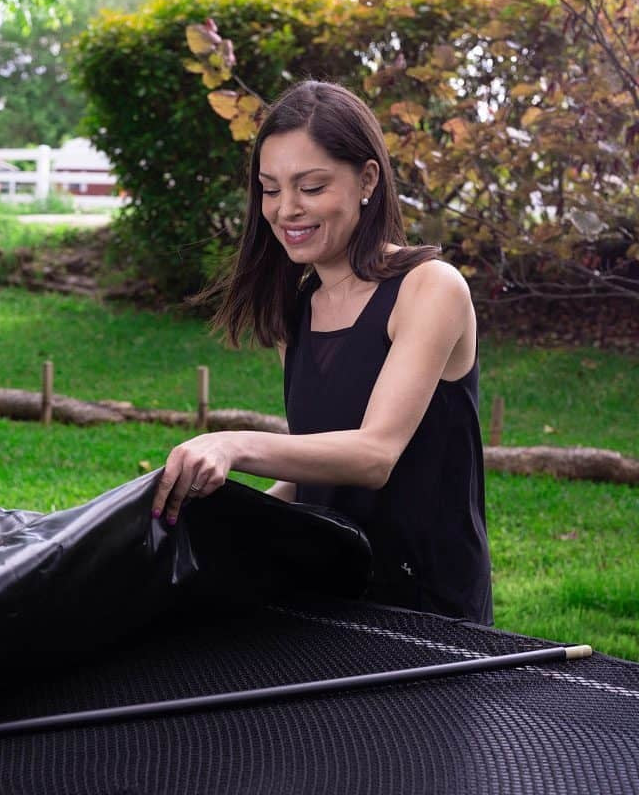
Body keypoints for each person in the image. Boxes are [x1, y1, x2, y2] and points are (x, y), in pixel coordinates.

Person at [151, 80, 493, 625]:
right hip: (330, 590)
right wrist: (227, 517)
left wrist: (232, 442)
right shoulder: (298, 306)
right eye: (269, 188)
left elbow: (374, 456)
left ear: (367, 180)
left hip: (427, 606)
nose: (286, 209)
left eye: (311, 187)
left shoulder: (431, 288)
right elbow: (316, 472)